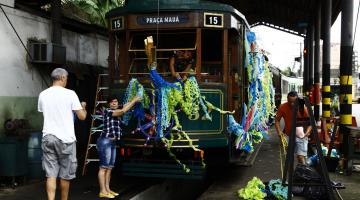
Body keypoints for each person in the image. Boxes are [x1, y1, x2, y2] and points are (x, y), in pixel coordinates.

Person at [38, 68, 87, 200]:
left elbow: (45, 113)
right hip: (66, 139)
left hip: (48, 137)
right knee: (65, 174)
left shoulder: (43, 94)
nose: (66, 81)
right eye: (66, 78)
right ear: (62, 78)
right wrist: (83, 107)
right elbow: (82, 117)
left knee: (51, 174)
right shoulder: (70, 94)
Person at [97, 95, 141, 198]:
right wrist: (134, 100)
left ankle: (107, 189)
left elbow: (125, 106)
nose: (114, 103)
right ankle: (102, 191)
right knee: (103, 167)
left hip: (112, 142)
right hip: (105, 141)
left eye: (115, 102)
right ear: (108, 104)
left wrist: (133, 100)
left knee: (109, 168)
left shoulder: (117, 107)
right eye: (112, 102)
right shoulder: (108, 111)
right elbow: (122, 111)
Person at [275, 91, 312, 164]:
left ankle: (304, 172)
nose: (292, 104)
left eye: (294, 102)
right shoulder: (282, 107)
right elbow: (277, 121)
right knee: (289, 157)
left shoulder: (303, 108)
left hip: (302, 135)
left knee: (300, 157)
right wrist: (279, 132)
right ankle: (291, 174)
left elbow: (311, 123)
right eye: (290, 101)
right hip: (288, 135)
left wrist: (307, 132)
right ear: (287, 99)